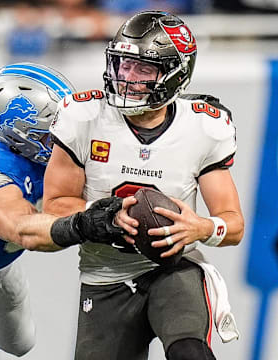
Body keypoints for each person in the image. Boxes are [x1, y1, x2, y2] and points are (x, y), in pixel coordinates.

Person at [43, 11, 244, 360]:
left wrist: (200, 227)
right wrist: (100, 217)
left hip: (173, 268)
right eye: (123, 65)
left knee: (189, 353)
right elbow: (56, 204)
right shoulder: (83, 117)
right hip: (104, 274)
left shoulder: (203, 127)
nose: (127, 77)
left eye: (143, 69)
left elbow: (234, 224)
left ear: (174, 75)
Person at [0, 62, 127, 360]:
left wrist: (179, 115)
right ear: (20, 134)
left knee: (20, 343)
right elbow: (21, 227)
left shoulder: (10, 125)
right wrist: (82, 225)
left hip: (0, 260)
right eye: (52, 133)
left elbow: (100, 117)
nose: (65, 138)